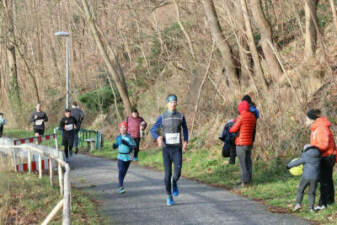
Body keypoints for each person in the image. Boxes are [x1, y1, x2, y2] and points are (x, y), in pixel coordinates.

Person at [151, 94, 188, 206]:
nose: (173, 104)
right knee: (167, 174)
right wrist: (157, 137)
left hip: (177, 148)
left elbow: (185, 129)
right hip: (166, 149)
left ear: (176, 103)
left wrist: (185, 141)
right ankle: (169, 196)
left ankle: (174, 182)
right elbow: (153, 129)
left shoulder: (181, 116)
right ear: (167, 103)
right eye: (171, 102)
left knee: (177, 173)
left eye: (175, 102)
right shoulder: (162, 116)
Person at [306, 109, 336, 210]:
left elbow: (324, 145)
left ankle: (323, 204)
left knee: (324, 181)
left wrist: (311, 149)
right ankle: (330, 201)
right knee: (327, 180)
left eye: (306, 119)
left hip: (326, 156)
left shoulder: (321, 128)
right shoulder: (318, 127)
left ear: (311, 119)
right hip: (326, 156)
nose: (305, 121)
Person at [229, 100, 257, 187]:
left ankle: (244, 183)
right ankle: (249, 180)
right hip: (249, 143)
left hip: (241, 143)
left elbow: (233, 129)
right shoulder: (253, 117)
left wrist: (231, 125)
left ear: (240, 109)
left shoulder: (241, 117)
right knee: (248, 162)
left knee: (242, 163)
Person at [287, 144, 321, 212]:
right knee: (312, 192)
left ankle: (298, 204)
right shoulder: (319, 154)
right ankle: (311, 208)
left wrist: (288, 165)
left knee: (300, 190)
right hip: (315, 177)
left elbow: (298, 162)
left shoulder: (306, 155)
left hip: (306, 176)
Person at [113, 122, 136, 194]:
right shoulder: (118, 137)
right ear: (119, 129)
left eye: (125, 127)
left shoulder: (130, 137)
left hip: (128, 157)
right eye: (122, 127)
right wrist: (115, 146)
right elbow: (117, 144)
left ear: (127, 129)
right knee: (121, 170)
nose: (123, 129)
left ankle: (120, 183)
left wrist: (127, 144)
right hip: (120, 156)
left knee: (124, 172)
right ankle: (121, 186)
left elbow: (134, 146)